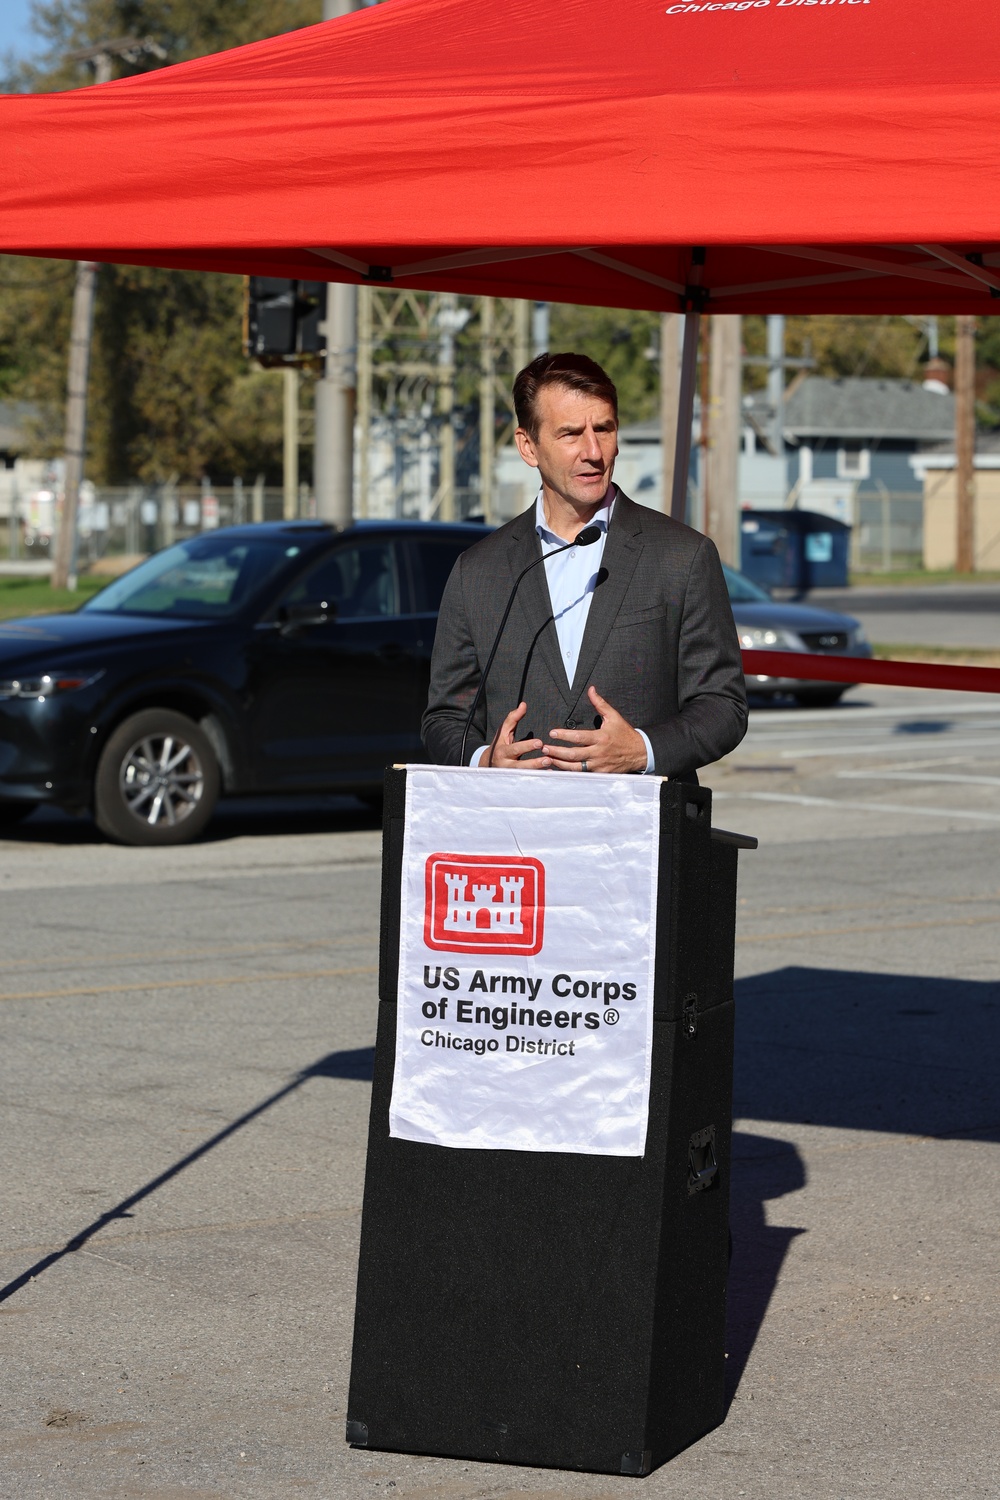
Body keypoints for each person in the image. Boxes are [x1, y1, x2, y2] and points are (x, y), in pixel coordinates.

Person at [421, 352, 747, 778]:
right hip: (520, 829)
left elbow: (724, 706)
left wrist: (643, 751)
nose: (593, 452)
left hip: (642, 828)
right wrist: (485, 761)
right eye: (571, 434)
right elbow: (444, 718)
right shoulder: (478, 571)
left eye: (604, 429)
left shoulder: (682, 556)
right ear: (528, 446)